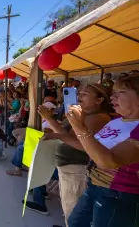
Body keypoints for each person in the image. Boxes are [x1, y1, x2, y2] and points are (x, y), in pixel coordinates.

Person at [66, 75, 139, 227]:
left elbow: (109, 161)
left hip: (119, 194)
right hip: (95, 185)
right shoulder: (116, 120)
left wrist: (80, 127)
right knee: (75, 223)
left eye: (122, 92)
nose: (113, 96)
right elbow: (92, 147)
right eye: (114, 92)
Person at [40, 84, 112, 225]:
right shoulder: (83, 114)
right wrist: (49, 119)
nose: (79, 97)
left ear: (99, 100)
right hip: (69, 168)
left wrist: (58, 136)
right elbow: (66, 134)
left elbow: (84, 146)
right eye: (79, 94)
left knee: (73, 213)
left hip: (77, 169)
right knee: (69, 208)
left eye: (85, 94)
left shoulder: (97, 118)